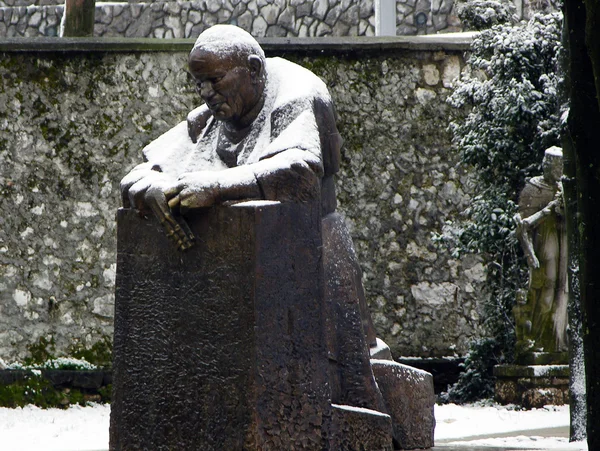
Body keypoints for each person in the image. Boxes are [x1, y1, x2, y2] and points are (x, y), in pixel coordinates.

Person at [120, 25, 384, 412]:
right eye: (199, 84)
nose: (206, 93)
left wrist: (215, 186)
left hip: (311, 256)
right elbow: (140, 171)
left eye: (214, 80)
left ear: (254, 68)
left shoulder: (297, 92)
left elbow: (301, 170)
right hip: (234, 284)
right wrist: (152, 188)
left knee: (349, 391)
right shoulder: (213, 115)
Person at [514, 146, 568, 353]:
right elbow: (522, 227)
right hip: (545, 243)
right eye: (556, 168)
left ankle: (558, 340)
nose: (558, 174)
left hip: (564, 241)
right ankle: (535, 338)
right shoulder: (533, 188)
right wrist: (529, 254)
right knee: (546, 290)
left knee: (564, 291)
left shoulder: (565, 188)